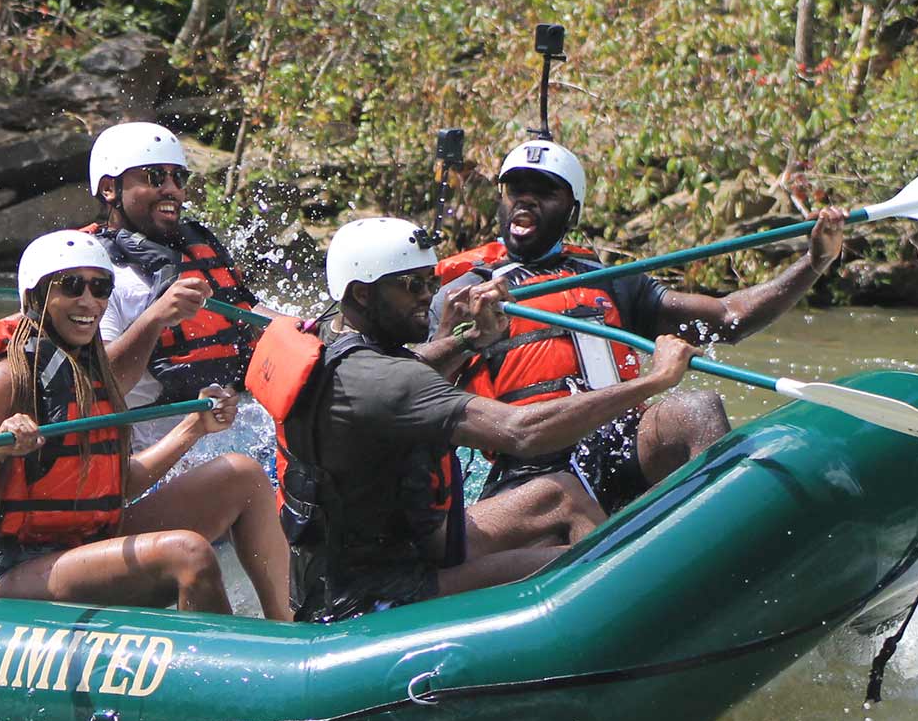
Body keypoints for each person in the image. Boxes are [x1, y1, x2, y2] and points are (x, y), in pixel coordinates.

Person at [269, 217, 697, 623]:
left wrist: (470, 341)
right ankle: (644, 620)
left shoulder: (338, 346)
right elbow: (522, 432)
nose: (429, 297)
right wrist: (654, 381)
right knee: (599, 565)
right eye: (413, 285)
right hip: (377, 595)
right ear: (362, 295)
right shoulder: (384, 379)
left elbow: (410, 370)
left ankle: (635, 625)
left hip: (381, 556)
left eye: (432, 281)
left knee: (558, 494)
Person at [432, 139, 847, 512]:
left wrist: (814, 264)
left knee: (696, 409)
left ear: (572, 211)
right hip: (531, 459)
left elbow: (727, 319)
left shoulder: (608, 280)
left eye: (543, 192)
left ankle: (718, 536)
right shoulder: (467, 292)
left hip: (618, 441)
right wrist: (460, 334)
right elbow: (415, 389)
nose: (525, 201)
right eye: (515, 190)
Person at [0, 230, 292, 619]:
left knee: (243, 474)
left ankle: (287, 630)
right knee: (187, 553)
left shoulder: (95, 372)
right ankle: (223, 667)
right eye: (71, 287)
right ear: (37, 297)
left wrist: (193, 428)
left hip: (94, 542)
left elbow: (121, 485)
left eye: (100, 288)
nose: (89, 301)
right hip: (21, 570)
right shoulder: (6, 379)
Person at [88, 122, 285, 449]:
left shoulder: (196, 247)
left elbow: (249, 314)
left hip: (227, 437)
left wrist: (314, 330)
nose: (172, 189)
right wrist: (156, 318)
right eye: (154, 177)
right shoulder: (93, 273)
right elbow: (99, 386)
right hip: (147, 455)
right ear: (110, 188)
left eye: (178, 177)